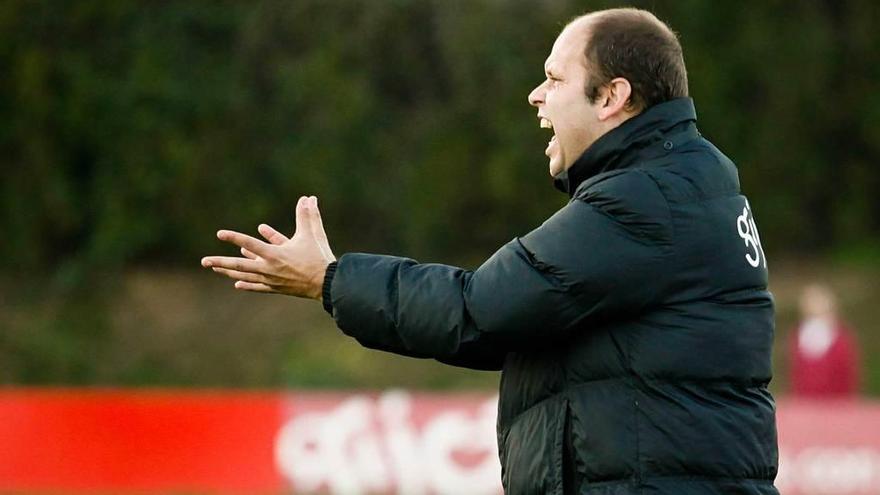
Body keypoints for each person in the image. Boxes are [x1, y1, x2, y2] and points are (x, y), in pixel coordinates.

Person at [202, 8, 779, 494]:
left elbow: (480, 312)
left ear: (611, 97)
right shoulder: (683, 187)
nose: (536, 96)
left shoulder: (642, 201)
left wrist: (330, 280)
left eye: (554, 79)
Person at [789, 283, 860, 398]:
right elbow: (795, 375)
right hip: (805, 404)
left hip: (836, 403)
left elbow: (849, 375)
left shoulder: (841, 337)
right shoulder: (798, 336)